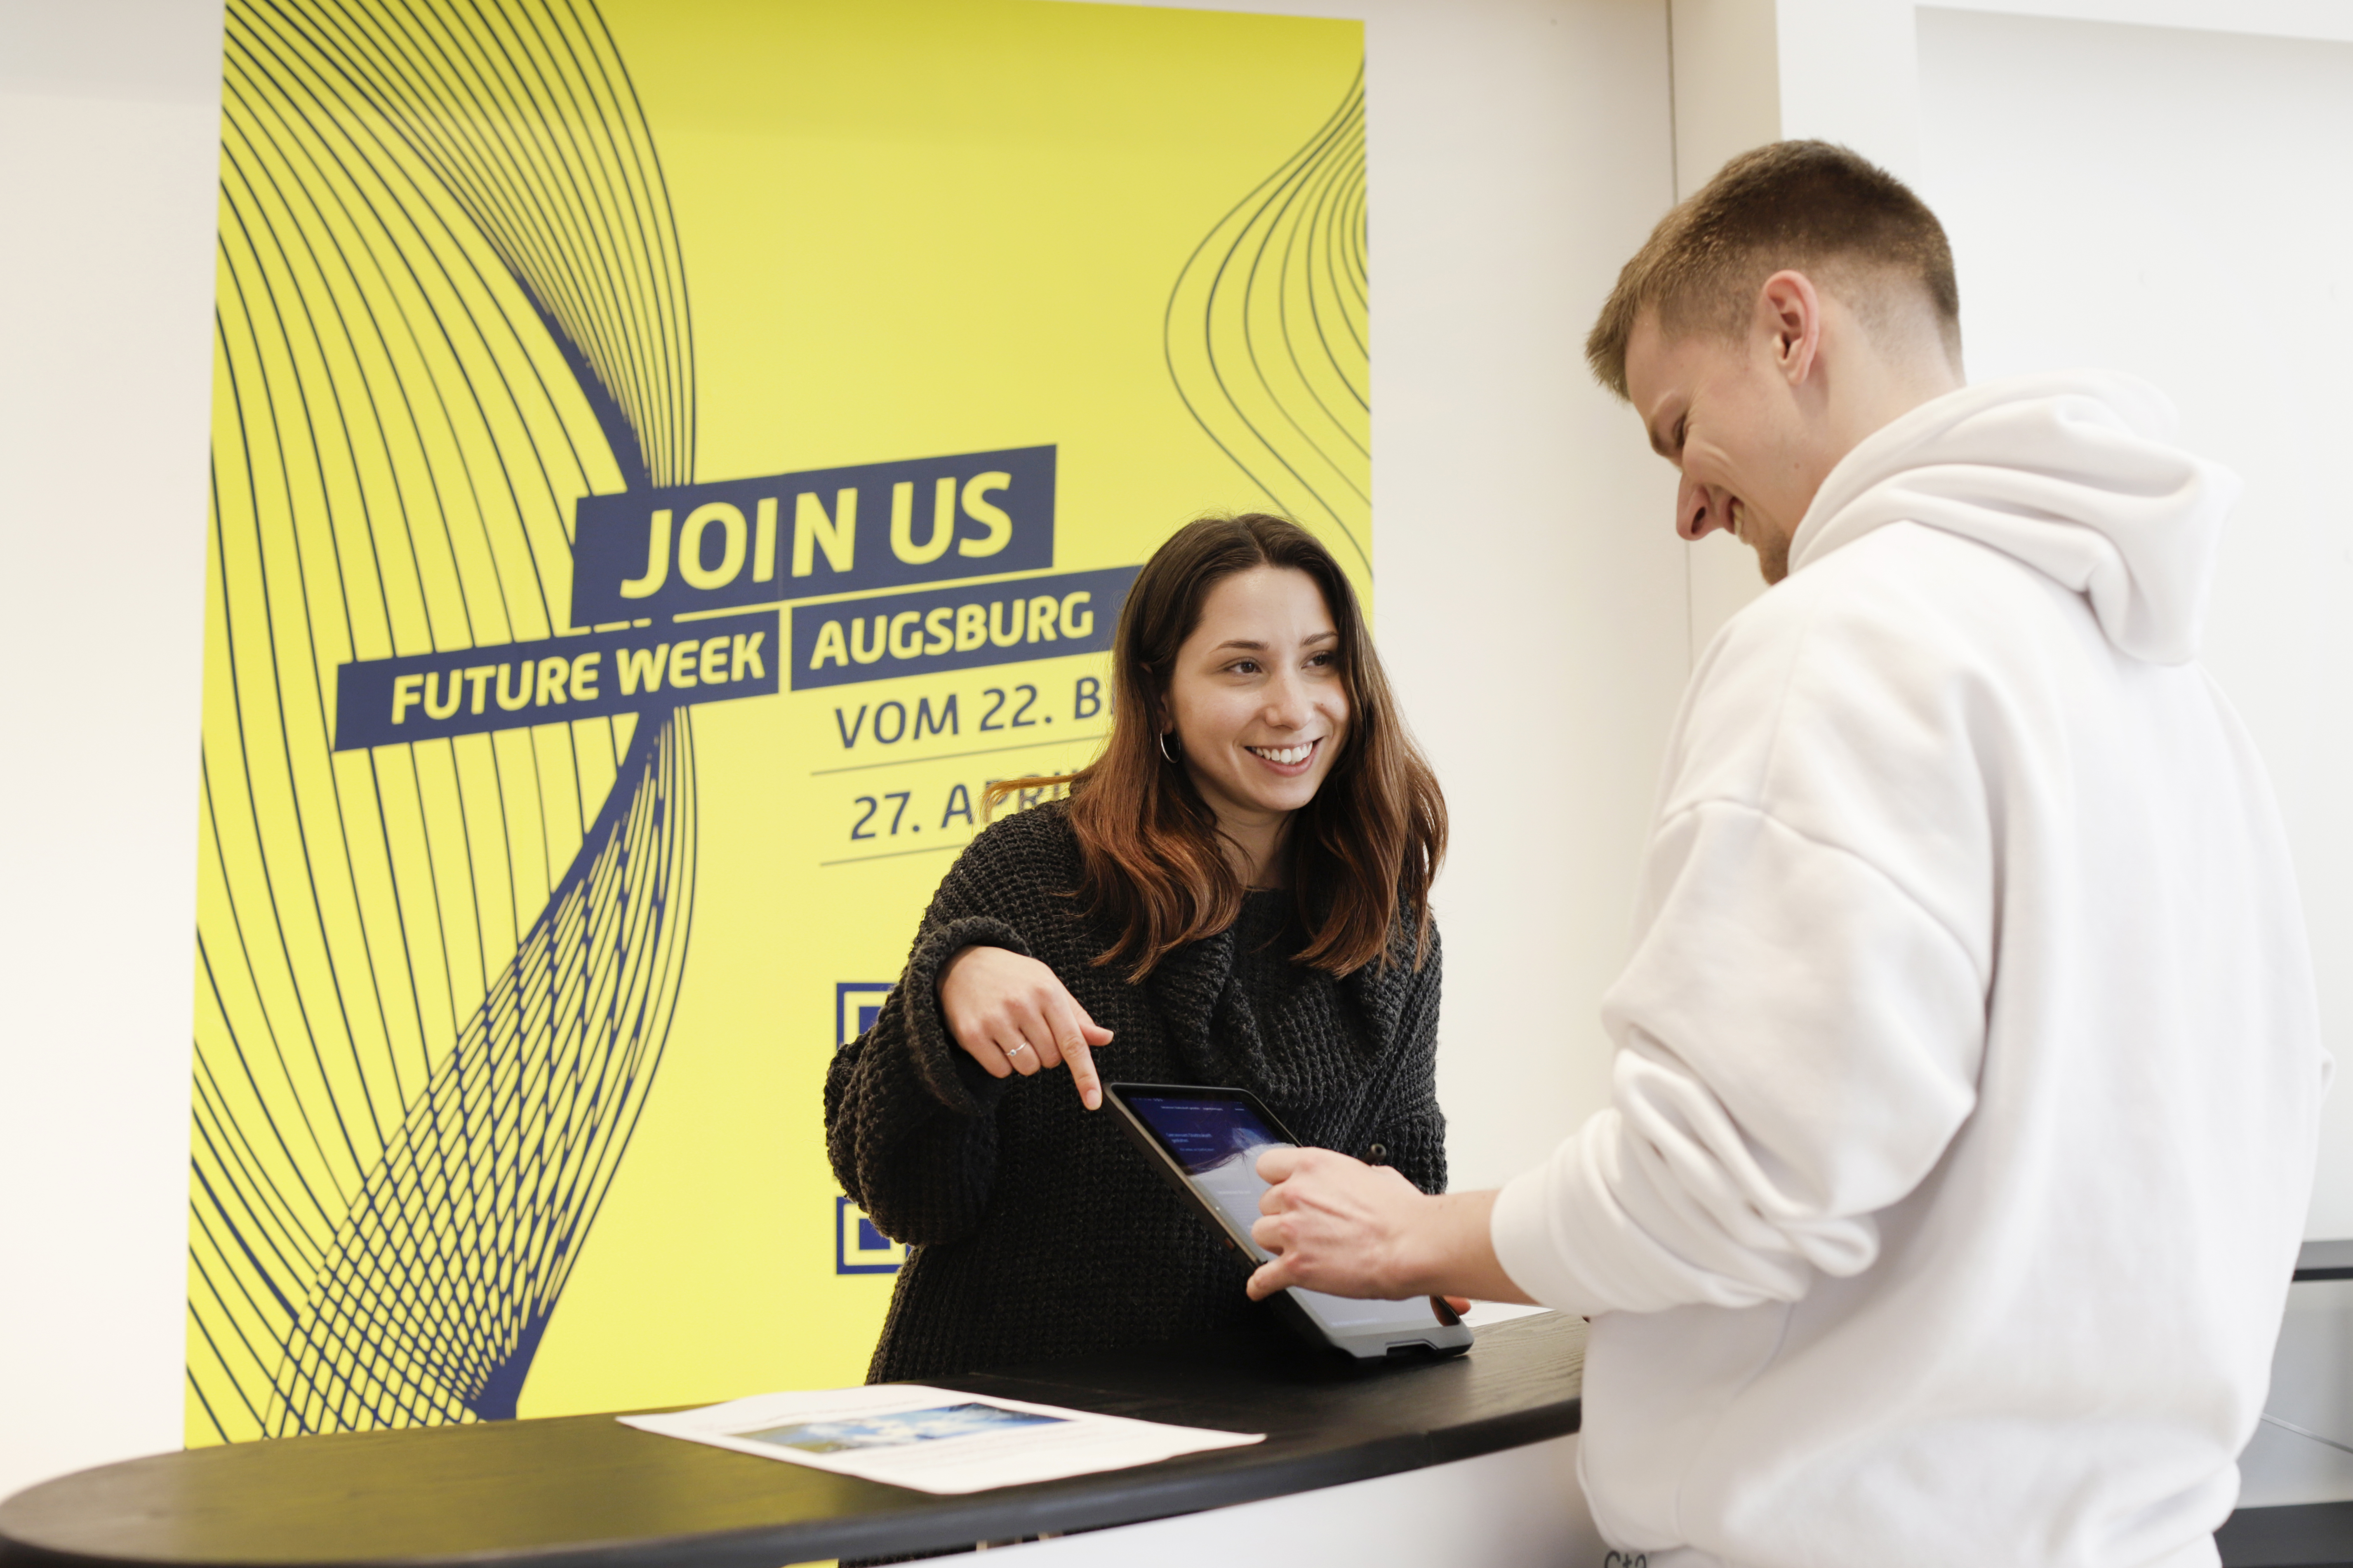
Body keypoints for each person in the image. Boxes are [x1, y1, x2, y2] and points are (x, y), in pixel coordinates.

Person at [1242, 141, 2329, 1567]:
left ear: (1788, 325)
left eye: (1678, 426)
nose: (1686, 507)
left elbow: (1724, 1180)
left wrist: (1420, 1237)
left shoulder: (1842, 638)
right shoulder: (2161, 683)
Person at [825, 512, 1449, 1382]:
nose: (1293, 706)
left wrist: (1420, 1265)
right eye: (1243, 667)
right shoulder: (1035, 872)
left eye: (1322, 660)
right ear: (1160, 696)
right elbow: (907, 1194)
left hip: (1262, 1458)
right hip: (1008, 1442)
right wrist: (946, 1000)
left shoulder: (1391, 925)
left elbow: (1404, 1230)